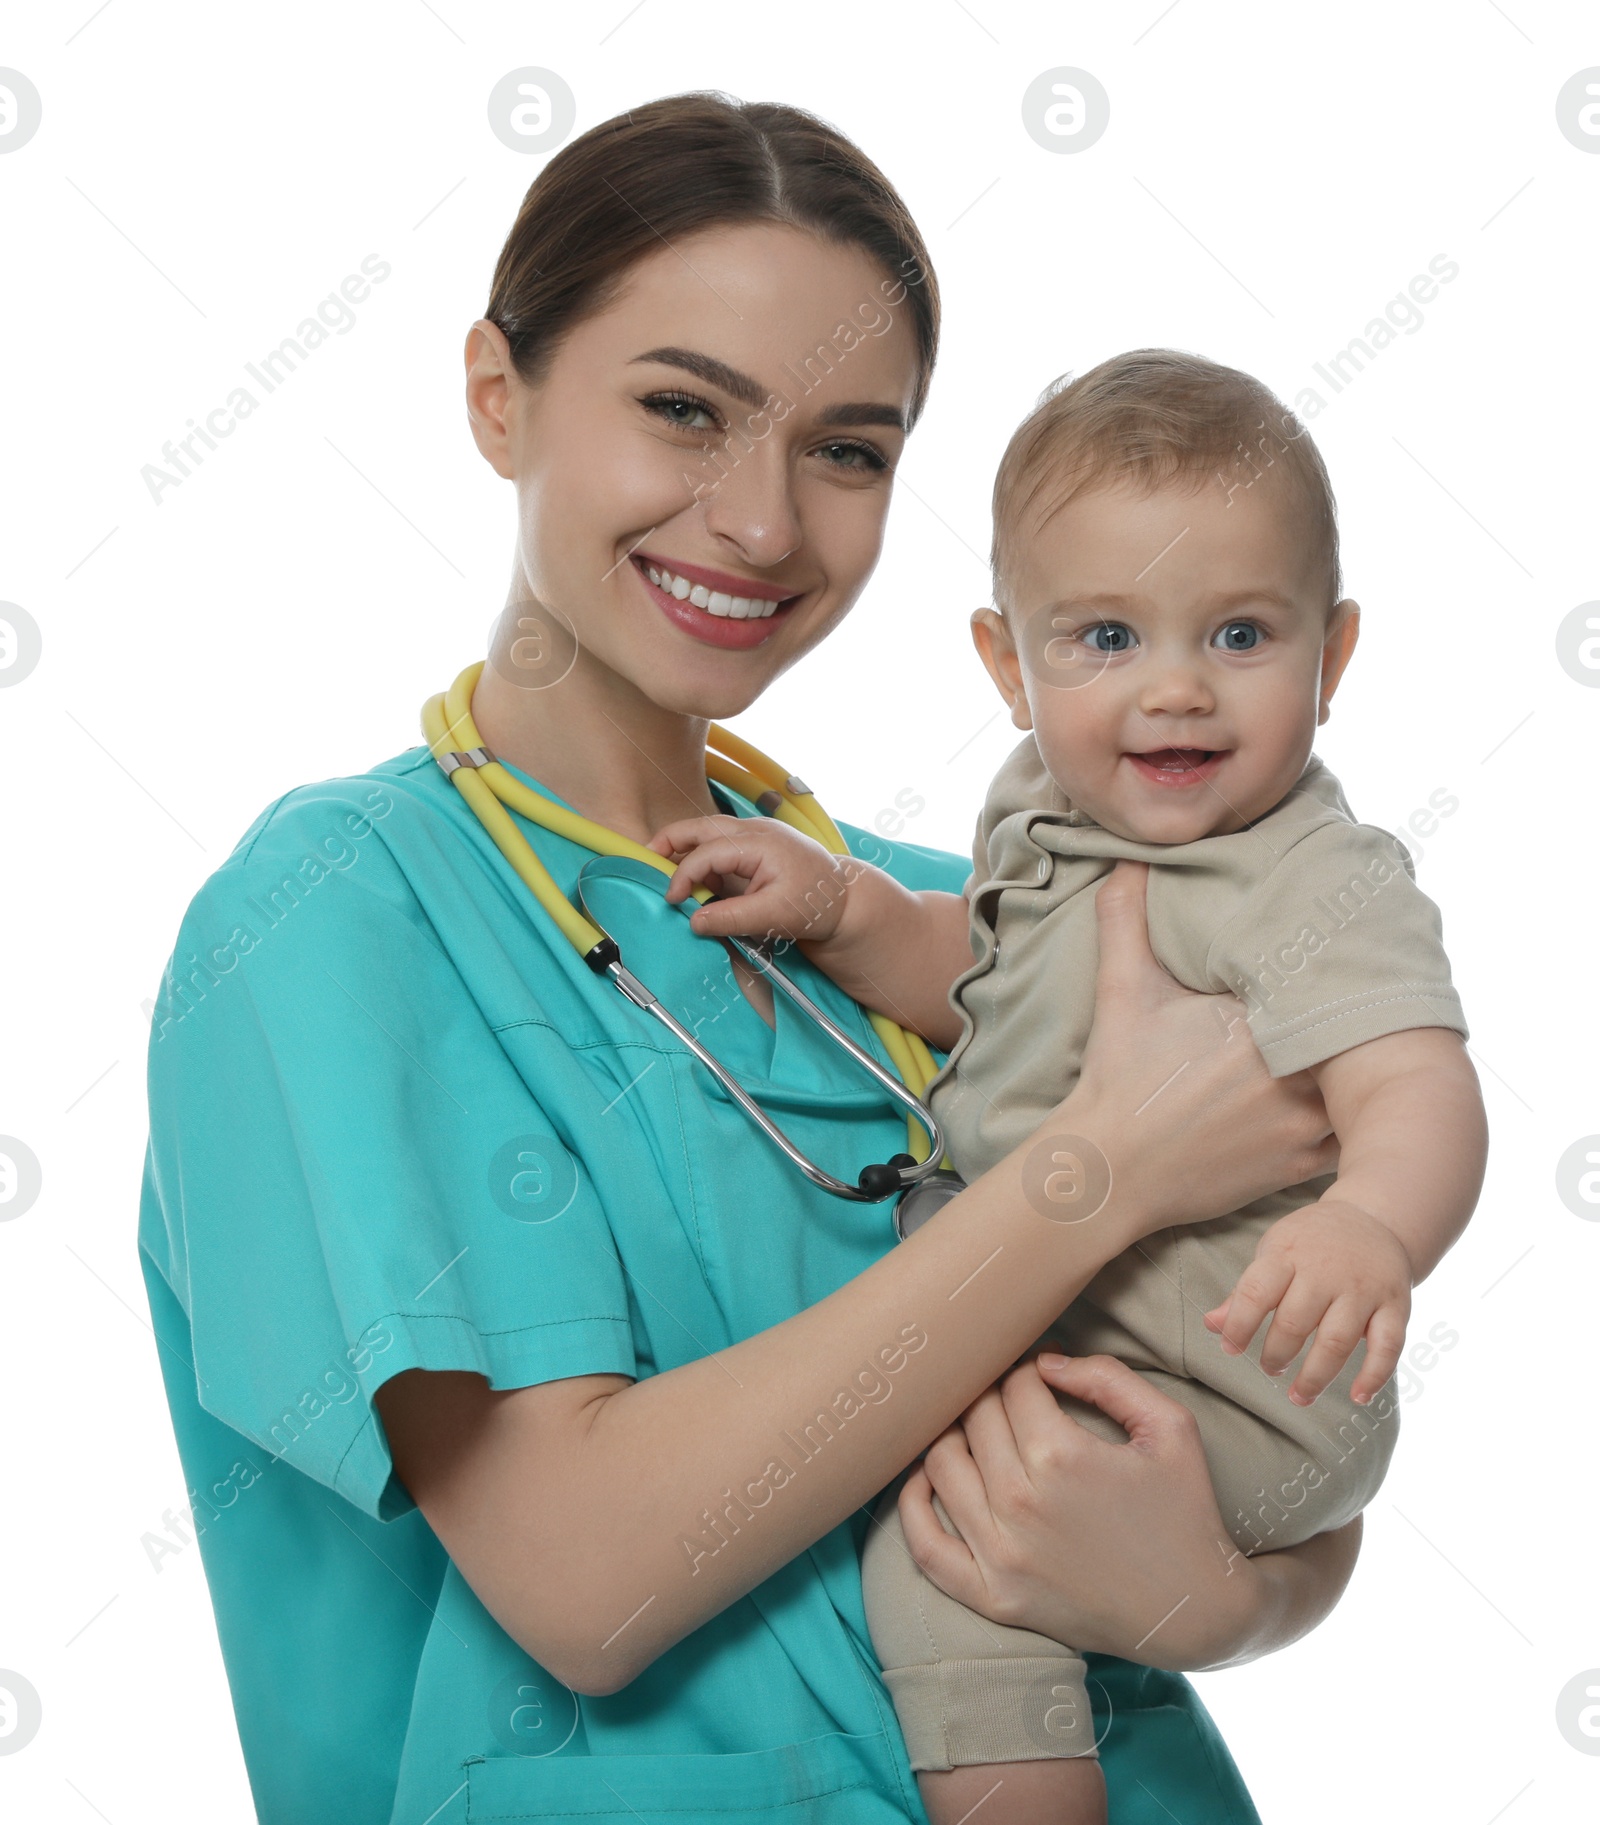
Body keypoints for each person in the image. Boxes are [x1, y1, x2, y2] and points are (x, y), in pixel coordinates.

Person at [139, 96, 1359, 1825]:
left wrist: (1226, 1593)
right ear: (499, 393)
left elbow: (1290, 1429)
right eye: (682, 411)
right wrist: (1101, 1169)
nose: (766, 521)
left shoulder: (967, 918)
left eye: (849, 449)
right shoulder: (332, 920)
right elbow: (583, 1578)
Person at [649, 347, 1488, 1823]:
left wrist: (1372, 1226)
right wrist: (842, 908)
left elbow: (1419, 1083)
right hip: (1103, 1338)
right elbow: (979, 988)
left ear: (1332, 659)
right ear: (1006, 665)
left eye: (1239, 633)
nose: (1174, 690)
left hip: (1241, 1378)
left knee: (947, 1559)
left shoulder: (1308, 873)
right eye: (1106, 636)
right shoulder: (1044, 806)